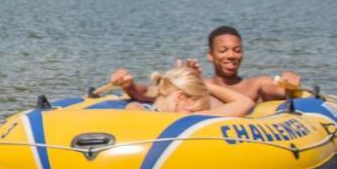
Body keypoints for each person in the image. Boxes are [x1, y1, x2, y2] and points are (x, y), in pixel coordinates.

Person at [113, 25, 301, 105]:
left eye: (237, 50)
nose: (231, 56)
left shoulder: (255, 84)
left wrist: (290, 85)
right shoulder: (198, 85)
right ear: (210, 56)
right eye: (223, 50)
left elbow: (282, 92)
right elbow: (148, 93)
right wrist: (128, 85)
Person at [114, 65, 254, 117]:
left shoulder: (138, 109)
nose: (199, 113)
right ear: (180, 97)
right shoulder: (190, 118)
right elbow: (244, 102)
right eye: (196, 110)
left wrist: (201, 84)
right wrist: (205, 84)